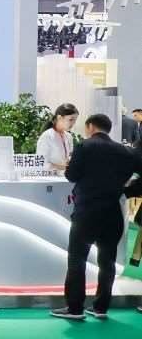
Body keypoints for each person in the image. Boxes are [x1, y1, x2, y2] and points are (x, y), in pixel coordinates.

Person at [51, 113, 142, 321]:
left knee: (77, 259)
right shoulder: (126, 151)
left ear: (90, 126)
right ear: (108, 129)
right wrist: (127, 190)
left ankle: (75, 308)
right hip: (113, 211)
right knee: (107, 261)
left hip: (87, 212)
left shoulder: (84, 146)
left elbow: (72, 175)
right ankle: (101, 307)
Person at [38, 103, 80, 173]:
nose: (73, 123)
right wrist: (64, 167)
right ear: (59, 118)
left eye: (75, 120)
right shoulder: (47, 136)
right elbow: (41, 163)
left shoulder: (68, 136)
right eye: (71, 120)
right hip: (50, 177)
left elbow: (69, 157)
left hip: (65, 176)